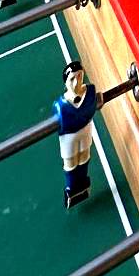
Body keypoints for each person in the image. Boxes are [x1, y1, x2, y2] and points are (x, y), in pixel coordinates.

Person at [53, 59, 99, 208]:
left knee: (84, 156)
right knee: (71, 162)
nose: (76, 82)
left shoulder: (90, 93)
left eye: (79, 76)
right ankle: (72, 189)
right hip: (69, 138)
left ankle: (83, 183)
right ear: (65, 82)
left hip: (85, 131)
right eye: (72, 79)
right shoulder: (60, 106)